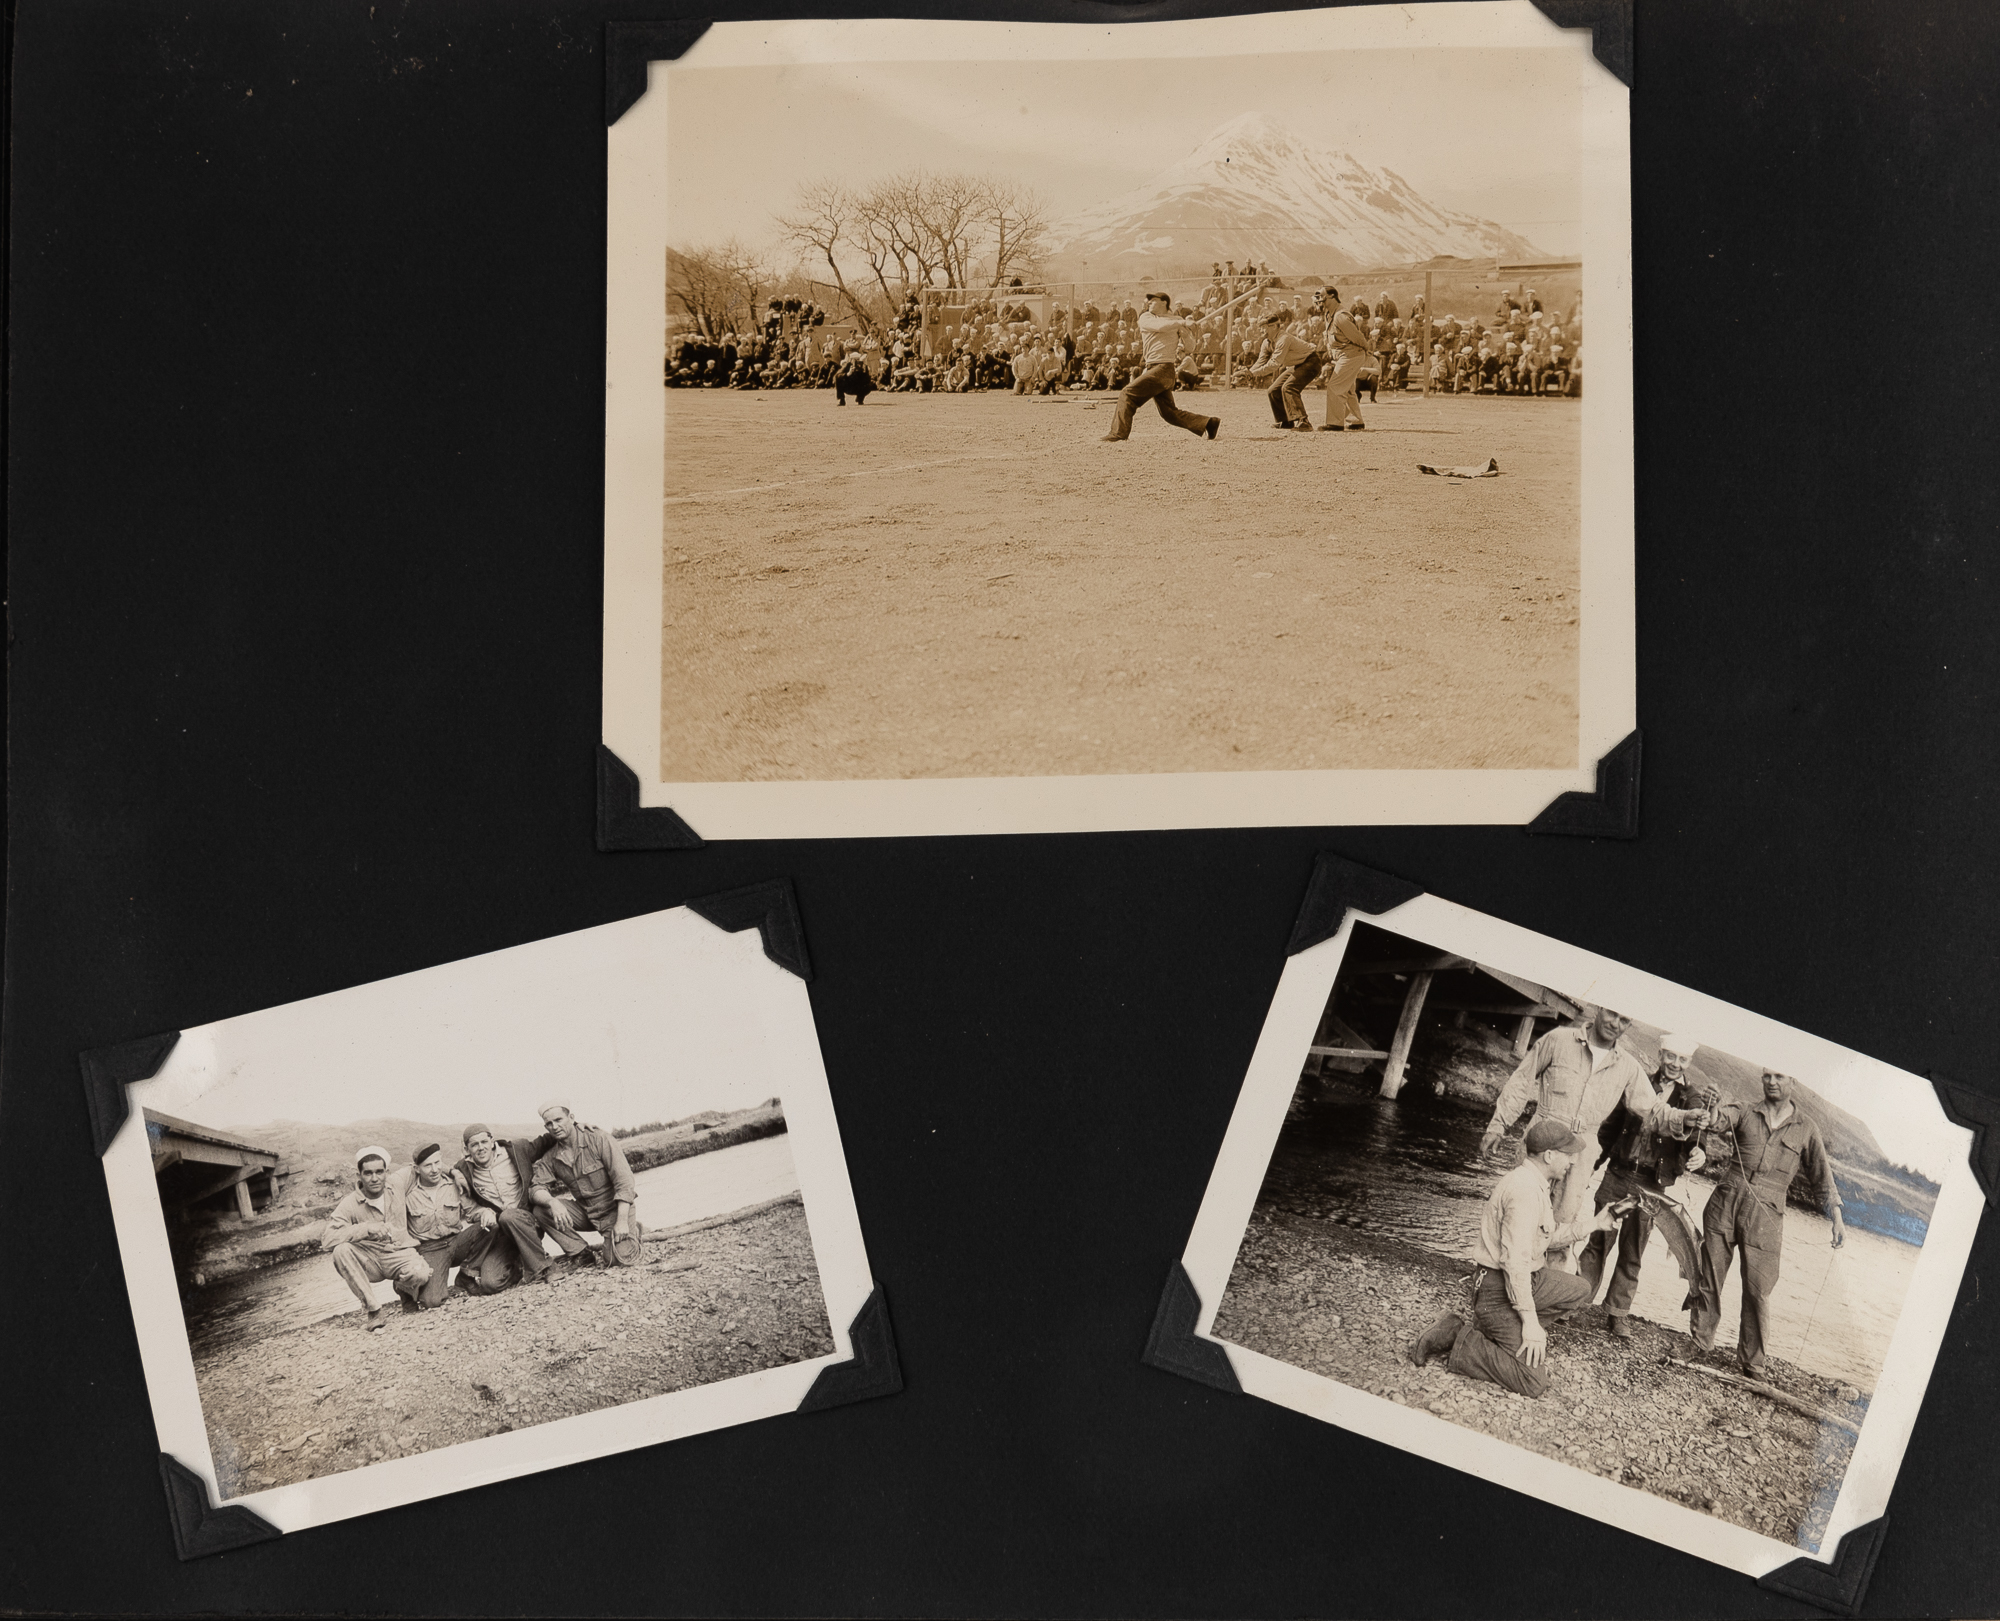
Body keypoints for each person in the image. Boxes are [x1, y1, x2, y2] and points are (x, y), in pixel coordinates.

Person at [1404, 1119, 1627, 1398]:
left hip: (1523, 1280)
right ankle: (1458, 1336)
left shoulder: (1536, 1183)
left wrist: (1595, 1223)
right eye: (1568, 1154)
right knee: (1532, 1382)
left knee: (1580, 1289)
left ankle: (1501, 1332)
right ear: (1549, 1155)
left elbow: (1546, 1237)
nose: (1572, 1160)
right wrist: (1531, 1323)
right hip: (1496, 1290)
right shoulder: (1523, 1191)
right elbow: (1515, 1265)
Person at [1479, 1005, 1708, 1268]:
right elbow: (1521, 1081)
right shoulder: (1557, 1039)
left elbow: (1654, 1111)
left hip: (1581, 1152)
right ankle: (1491, 1274)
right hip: (1540, 1141)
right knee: (1516, 1208)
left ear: (1629, 1025)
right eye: (1612, 1013)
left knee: (1562, 1223)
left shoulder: (1628, 1067)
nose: (1616, 1023)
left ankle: (1542, 1285)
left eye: (1625, 1020)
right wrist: (1498, 1125)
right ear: (1599, 1009)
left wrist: (1684, 1118)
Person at [1693, 1071, 1845, 1377]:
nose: (1771, 1082)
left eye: (1779, 1076)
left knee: (1758, 1289)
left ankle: (1753, 1363)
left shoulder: (1807, 1128)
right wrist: (1711, 1107)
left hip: (1768, 1213)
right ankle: (1699, 1344)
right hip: (1726, 1199)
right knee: (1709, 1275)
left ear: (1793, 1081)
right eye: (1767, 1076)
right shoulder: (1745, 1110)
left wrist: (1837, 1218)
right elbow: (1718, 1120)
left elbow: (1822, 1178)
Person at [1578, 1034, 1711, 1338]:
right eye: (1671, 1057)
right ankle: (1576, 1300)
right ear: (1661, 1055)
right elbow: (1609, 1128)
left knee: (1633, 1250)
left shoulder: (1691, 1098)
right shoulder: (1638, 1080)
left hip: (1653, 1185)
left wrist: (1699, 1152)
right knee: (1598, 1240)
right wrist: (1591, 1166)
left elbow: (1696, 1136)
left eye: (1683, 1059)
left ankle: (1617, 1313)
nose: (1676, 1064)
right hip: (1617, 1174)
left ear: (1688, 1063)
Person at [322, 1147, 431, 1328]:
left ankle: (404, 1290)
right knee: (341, 1251)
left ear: (386, 1172)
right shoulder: (349, 1203)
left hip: (399, 1253)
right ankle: (373, 1310)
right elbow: (327, 1240)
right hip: (370, 1260)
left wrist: (453, 1172)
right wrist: (365, 1229)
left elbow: (424, 1164)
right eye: (368, 1173)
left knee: (420, 1272)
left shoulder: (396, 1184)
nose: (374, 1178)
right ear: (359, 1175)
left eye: (379, 1172)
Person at [531, 1102, 644, 1268]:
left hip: (614, 1211)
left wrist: (621, 1221)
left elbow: (624, 1182)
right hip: (587, 1213)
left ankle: (634, 1229)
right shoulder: (551, 1156)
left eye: (558, 1120)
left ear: (571, 1118)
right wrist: (552, 1202)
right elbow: (536, 1187)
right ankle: (580, 1253)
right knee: (541, 1210)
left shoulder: (599, 1139)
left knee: (617, 1261)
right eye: (549, 1123)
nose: (554, 1126)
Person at [392, 1142, 503, 1308]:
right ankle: (405, 1288)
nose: (435, 1169)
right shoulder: (408, 1192)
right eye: (428, 1166)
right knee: (432, 1301)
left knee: (491, 1225)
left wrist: (485, 1212)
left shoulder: (453, 1184)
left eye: (437, 1163)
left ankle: (467, 1274)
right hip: (429, 1249)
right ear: (416, 1169)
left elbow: (472, 1211)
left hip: (457, 1242)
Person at [455, 1123, 567, 1286]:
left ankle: (547, 1267)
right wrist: (483, 1211)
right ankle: (520, 1264)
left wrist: (575, 1126)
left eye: (484, 1142)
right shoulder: (463, 1170)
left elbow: (547, 1140)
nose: (480, 1148)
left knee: (509, 1216)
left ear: (492, 1141)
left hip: (529, 1222)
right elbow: (435, 1170)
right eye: (474, 1144)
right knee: (490, 1283)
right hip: (504, 1234)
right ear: (466, 1149)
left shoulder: (517, 1150)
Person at [1099, 292, 1219, 443]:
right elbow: (1160, 326)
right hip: (1154, 368)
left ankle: (1118, 433)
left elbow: (1190, 347)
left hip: (1164, 368)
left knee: (1127, 394)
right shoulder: (1146, 317)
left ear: (1164, 302)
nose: (1148, 302)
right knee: (1169, 413)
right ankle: (1208, 423)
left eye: (1153, 300)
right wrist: (1181, 324)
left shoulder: (1177, 321)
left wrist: (1187, 333)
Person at [1244, 310, 1321, 431]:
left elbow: (1274, 364)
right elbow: (1261, 361)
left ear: (1274, 326)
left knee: (1288, 387)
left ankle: (1304, 421)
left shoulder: (1283, 338)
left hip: (1311, 362)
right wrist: (1247, 372)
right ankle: (1285, 421)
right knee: (1273, 390)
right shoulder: (1266, 342)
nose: (1261, 330)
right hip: (1298, 364)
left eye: (1263, 327)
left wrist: (1253, 373)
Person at [1321, 293, 1373, 430]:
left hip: (1351, 355)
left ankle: (1335, 423)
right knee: (1348, 389)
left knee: (1335, 386)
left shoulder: (1340, 316)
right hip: (1344, 355)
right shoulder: (1329, 314)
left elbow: (1357, 336)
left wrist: (1366, 348)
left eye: (1322, 298)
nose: (1319, 302)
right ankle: (1356, 420)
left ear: (1332, 297)